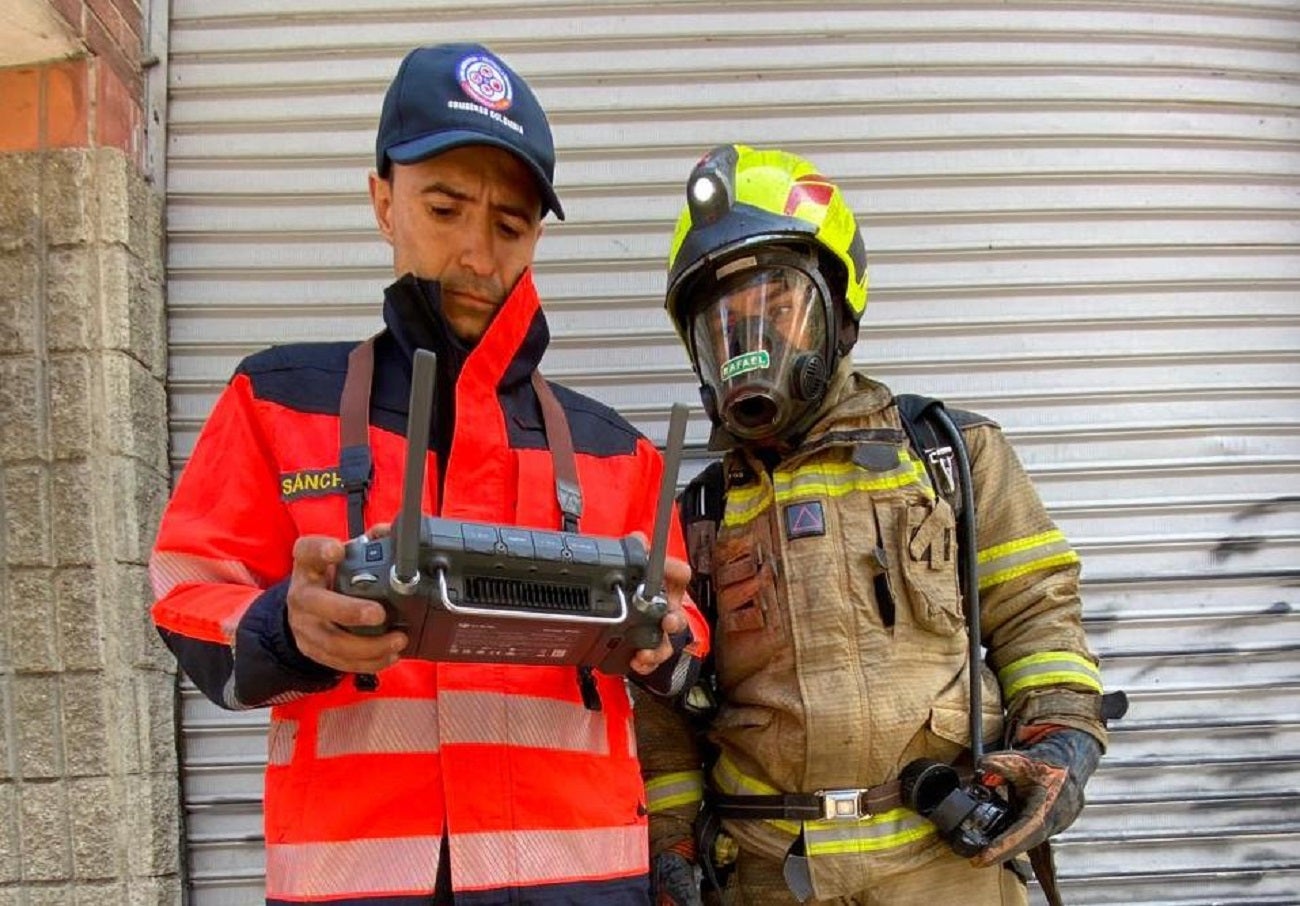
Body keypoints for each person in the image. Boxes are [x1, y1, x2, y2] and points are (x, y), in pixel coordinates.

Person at [150, 42, 707, 905]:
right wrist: (283, 628)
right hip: (359, 882)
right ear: (383, 199)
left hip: (581, 879)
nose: (477, 256)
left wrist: (665, 644)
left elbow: (685, 633)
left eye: (510, 225)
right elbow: (186, 594)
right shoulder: (276, 403)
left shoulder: (619, 452)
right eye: (445, 208)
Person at [639, 145, 1115, 905]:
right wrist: (670, 843)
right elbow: (663, 713)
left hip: (947, 867)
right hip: (770, 877)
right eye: (723, 323)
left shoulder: (950, 455)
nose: (748, 344)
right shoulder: (697, 514)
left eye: (777, 306)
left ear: (839, 302)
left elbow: (1037, 613)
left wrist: (1062, 735)